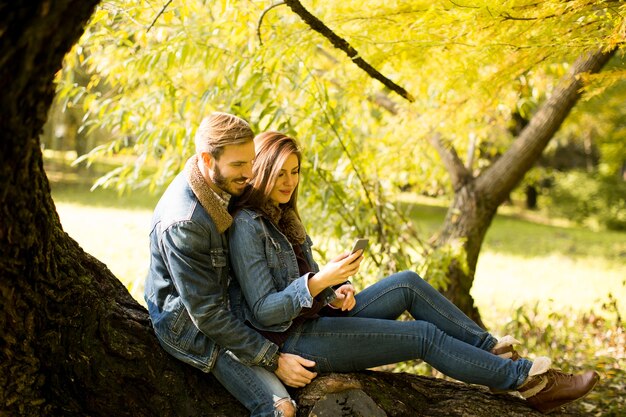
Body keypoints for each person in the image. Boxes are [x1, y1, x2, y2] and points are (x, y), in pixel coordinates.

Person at [228, 131, 600, 414]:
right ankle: (527, 381)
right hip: (296, 340)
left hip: (318, 318)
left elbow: (301, 285)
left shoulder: (285, 216)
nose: (289, 182)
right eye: (280, 173)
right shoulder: (248, 225)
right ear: (260, 171)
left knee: (407, 283)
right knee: (421, 335)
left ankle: (495, 351)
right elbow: (264, 310)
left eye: (294, 172)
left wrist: (333, 292)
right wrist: (320, 282)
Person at [144, 114, 315, 417]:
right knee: (280, 410)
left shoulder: (217, 184)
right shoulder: (185, 222)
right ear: (207, 159)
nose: (249, 173)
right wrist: (273, 358)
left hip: (228, 309)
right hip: (195, 328)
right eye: (239, 165)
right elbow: (207, 316)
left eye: (251, 162)